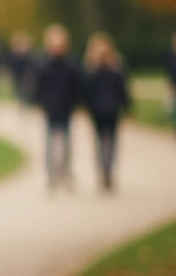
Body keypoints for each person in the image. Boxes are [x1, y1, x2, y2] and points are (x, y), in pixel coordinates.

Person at [33, 23, 83, 190]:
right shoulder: (43, 64)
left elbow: (77, 85)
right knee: (49, 143)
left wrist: (76, 104)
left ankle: (66, 172)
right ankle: (51, 174)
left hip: (66, 108)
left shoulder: (70, 63)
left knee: (67, 142)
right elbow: (37, 86)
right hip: (51, 108)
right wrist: (40, 103)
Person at [82, 32, 130, 190]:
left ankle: (107, 169)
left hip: (110, 110)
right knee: (104, 141)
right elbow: (87, 92)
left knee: (108, 142)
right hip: (99, 111)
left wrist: (127, 106)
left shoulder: (114, 69)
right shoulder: (93, 71)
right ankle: (105, 169)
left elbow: (122, 89)